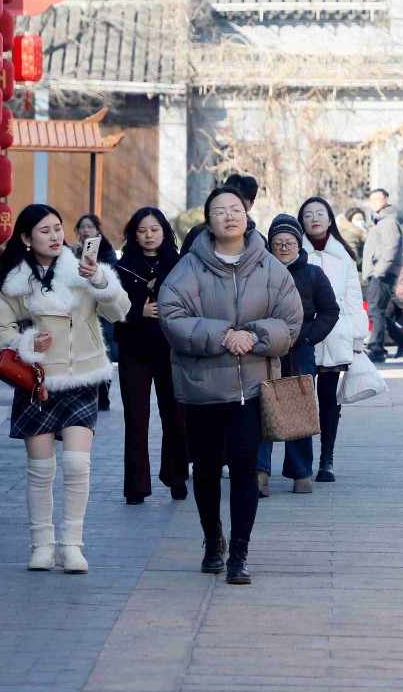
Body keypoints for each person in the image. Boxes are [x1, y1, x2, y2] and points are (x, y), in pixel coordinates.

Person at [158, 184, 302, 586]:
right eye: (219, 211)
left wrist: (252, 337)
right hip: (203, 388)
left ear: (246, 215)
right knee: (205, 470)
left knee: (244, 469)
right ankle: (212, 541)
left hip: (251, 390)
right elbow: (171, 316)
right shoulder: (189, 267)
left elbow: (291, 321)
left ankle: (239, 551)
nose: (229, 216)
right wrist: (223, 335)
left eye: (235, 209)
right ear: (208, 222)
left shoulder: (269, 266)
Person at [0, 204, 131, 574]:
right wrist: (26, 342)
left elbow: (119, 312)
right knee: (41, 470)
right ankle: (41, 545)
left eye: (57, 228)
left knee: (77, 464)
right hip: (37, 381)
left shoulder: (81, 270)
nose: (54, 236)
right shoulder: (15, 281)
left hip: (81, 377)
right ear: (26, 238)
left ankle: (71, 546)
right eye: (44, 230)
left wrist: (100, 279)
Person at [255, 214, 340, 496]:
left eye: (289, 242)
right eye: (277, 243)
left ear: (299, 244)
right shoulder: (259, 272)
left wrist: (308, 337)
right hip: (265, 349)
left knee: (299, 407)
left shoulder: (313, 274)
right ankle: (260, 471)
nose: (283, 248)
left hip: (300, 351)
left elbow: (330, 311)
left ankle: (300, 472)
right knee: (262, 406)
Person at [113, 207, 188, 506]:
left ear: (164, 232)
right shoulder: (122, 267)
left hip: (170, 349)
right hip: (134, 350)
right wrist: (137, 311)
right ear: (134, 234)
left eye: (154, 230)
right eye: (142, 230)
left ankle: (177, 477)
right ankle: (136, 486)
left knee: (175, 416)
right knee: (136, 418)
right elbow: (110, 308)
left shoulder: (179, 265)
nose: (148, 235)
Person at [298, 195, 367, 482]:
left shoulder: (343, 256)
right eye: (308, 215)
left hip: (335, 333)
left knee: (328, 398)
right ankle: (301, 464)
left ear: (330, 219)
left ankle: (327, 459)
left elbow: (353, 299)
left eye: (320, 213)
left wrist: (357, 336)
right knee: (299, 398)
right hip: (300, 335)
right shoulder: (293, 252)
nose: (314, 219)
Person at [74, 213, 121, 410]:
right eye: (82, 227)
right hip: (81, 310)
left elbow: (113, 275)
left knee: (103, 351)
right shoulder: (72, 252)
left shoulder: (107, 251)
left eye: (89, 226)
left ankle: (103, 393)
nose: (85, 230)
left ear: (98, 231)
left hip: (102, 311)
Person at [361, 188, 403, 363]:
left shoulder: (388, 221)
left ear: (386, 199)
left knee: (376, 310)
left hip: (382, 273)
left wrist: (379, 271)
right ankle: (401, 339)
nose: (374, 203)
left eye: (378, 199)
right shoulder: (380, 221)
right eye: (371, 200)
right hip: (378, 272)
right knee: (377, 310)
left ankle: (377, 349)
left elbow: (390, 248)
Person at [180, 173, 258, 256]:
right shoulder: (197, 235)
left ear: (251, 204)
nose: (230, 216)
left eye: (236, 207)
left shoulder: (257, 242)